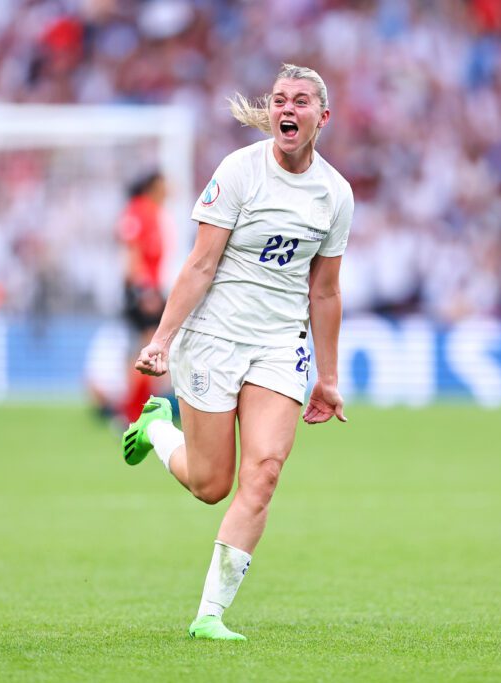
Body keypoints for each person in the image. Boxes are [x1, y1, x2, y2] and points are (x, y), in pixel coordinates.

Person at [120, 64, 354, 641]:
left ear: (322, 116)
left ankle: (210, 615)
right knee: (210, 484)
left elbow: (324, 290)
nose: (287, 110)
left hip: (280, 344)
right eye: (279, 100)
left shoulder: (336, 194)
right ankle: (156, 431)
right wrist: (161, 340)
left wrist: (328, 376)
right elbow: (200, 264)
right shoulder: (239, 172)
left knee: (265, 471)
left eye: (300, 101)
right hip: (214, 339)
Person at [90, 171, 171, 425]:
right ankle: (131, 412)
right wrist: (143, 290)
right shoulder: (138, 211)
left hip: (151, 290)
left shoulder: (153, 212)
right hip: (143, 292)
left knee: (148, 350)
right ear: (152, 186)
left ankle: (134, 411)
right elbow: (131, 255)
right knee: (150, 350)